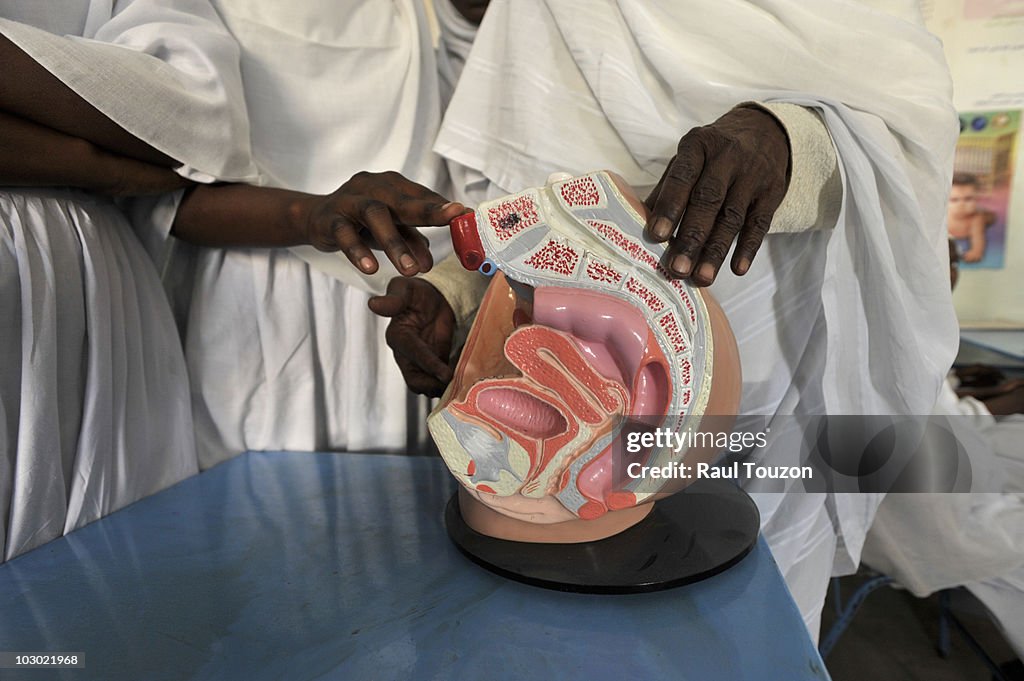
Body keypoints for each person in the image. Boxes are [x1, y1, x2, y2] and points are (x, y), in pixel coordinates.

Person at [372, 0, 959, 639]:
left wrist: (792, 138)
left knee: (734, 626)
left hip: (758, 351)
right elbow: (527, 186)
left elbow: (905, 132)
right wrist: (456, 291)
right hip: (534, 374)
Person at [947, 172, 996, 263]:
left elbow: (978, 238)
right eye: (954, 200)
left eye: (968, 199)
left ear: (977, 198)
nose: (961, 205)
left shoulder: (976, 219)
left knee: (989, 218)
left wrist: (976, 252)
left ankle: (989, 215)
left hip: (980, 214)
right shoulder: (945, 216)